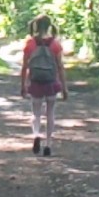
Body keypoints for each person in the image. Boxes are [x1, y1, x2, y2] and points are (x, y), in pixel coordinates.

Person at [20, 14, 68, 156]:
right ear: (49, 26)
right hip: (51, 83)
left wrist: (23, 85)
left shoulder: (30, 44)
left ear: (35, 26)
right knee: (50, 113)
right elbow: (60, 67)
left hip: (35, 82)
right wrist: (64, 87)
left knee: (36, 112)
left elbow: (24, 67)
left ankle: (36, 135)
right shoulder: (55, 45)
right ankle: (48, 144)